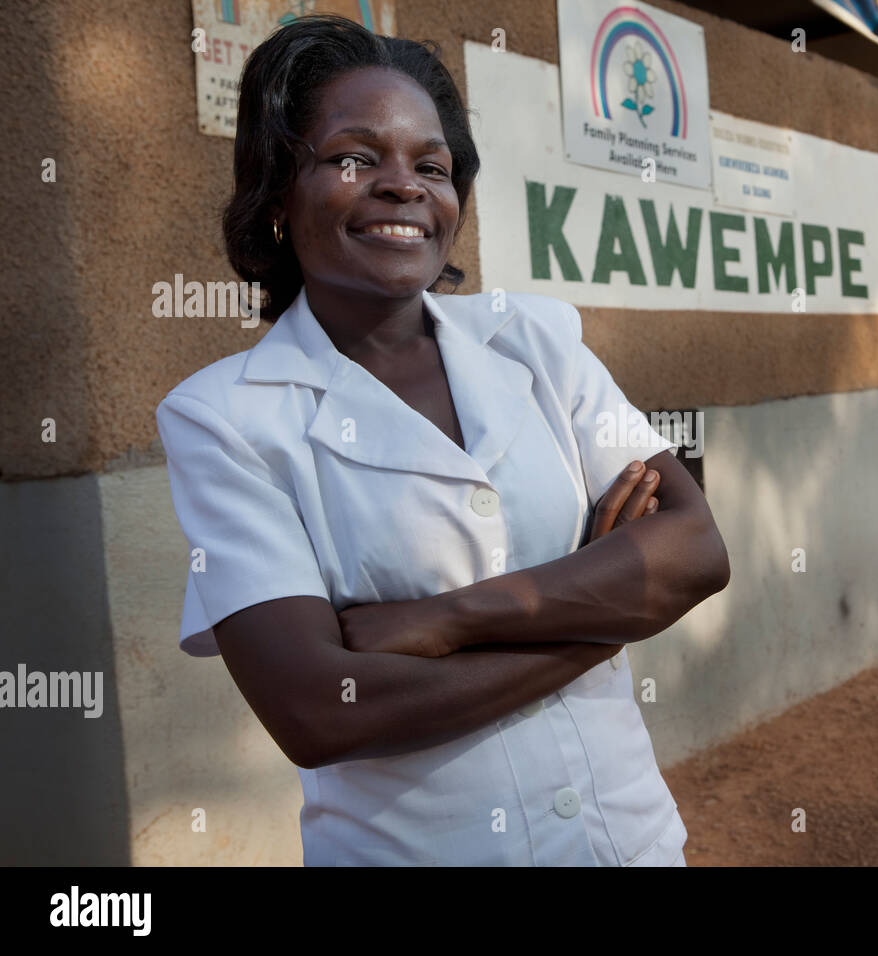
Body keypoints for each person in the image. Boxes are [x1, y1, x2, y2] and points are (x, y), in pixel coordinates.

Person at [155, 14, 729, 867]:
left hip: (629, 843)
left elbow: (694, 551)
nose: (403, 185)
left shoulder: (536, 341)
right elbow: (322, 711)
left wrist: (443, 620)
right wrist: (604, 622)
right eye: (355, 157)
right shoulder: (227, 418)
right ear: (278, 193)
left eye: (432, 164)